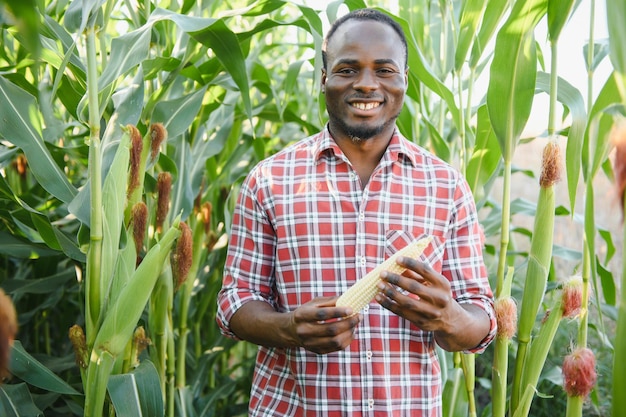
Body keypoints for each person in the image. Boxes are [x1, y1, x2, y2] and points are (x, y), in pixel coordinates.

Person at [217, 8, 496, 416]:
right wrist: (287, 328)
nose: (367, 84)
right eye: (348, 69)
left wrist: (449, 317)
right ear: (324, 79)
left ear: (403, 81)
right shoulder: (269, 180)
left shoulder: (447, 187)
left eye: (384, 70)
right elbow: (234, 302)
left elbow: (480, 317)